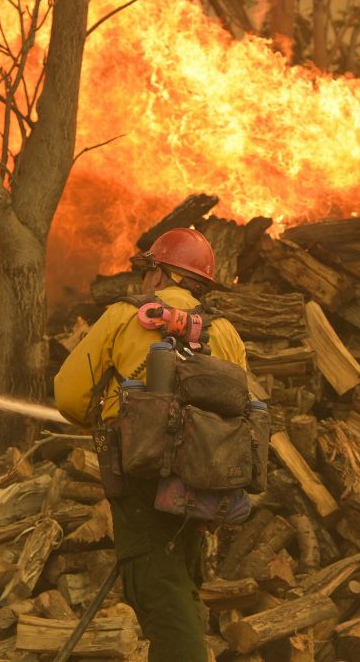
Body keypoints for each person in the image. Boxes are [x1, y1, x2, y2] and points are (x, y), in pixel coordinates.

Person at [53, 228, 248, 662]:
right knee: (180, 582)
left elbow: (68, 396)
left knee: (158, 590)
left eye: (147, 271)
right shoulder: (226, 332)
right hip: (203, 482)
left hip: (140, 476)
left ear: (160, 274)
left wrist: (102, 417)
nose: (145, 280)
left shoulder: (125, 316)